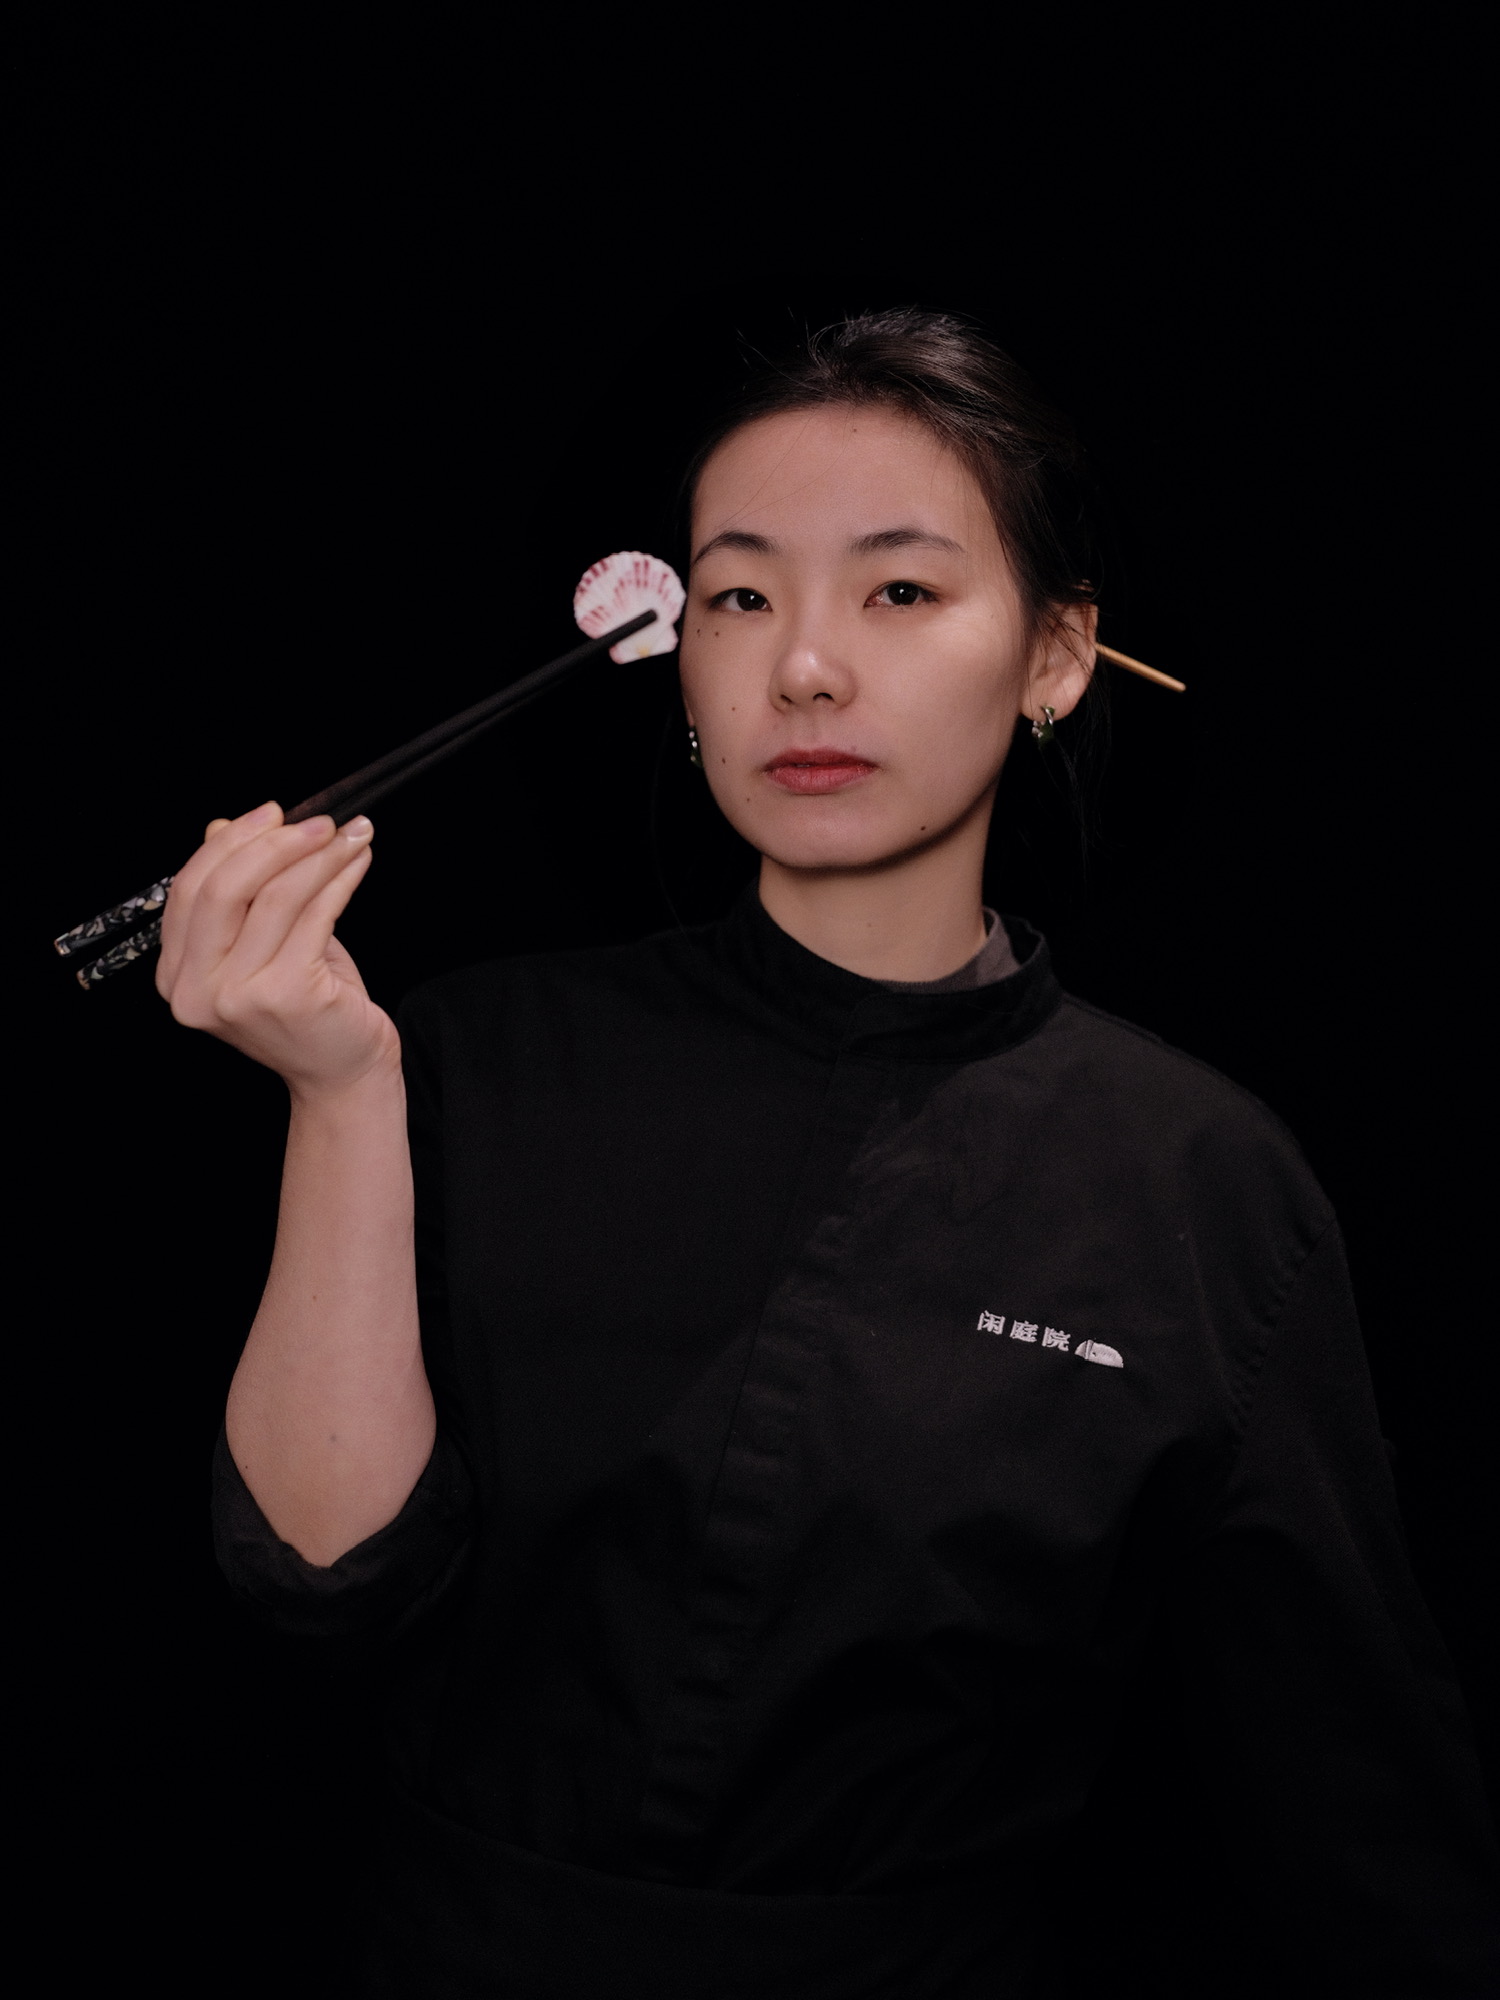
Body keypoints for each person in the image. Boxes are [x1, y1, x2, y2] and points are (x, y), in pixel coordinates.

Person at [164, 312, 1497, 1996]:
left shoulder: (1201, 1181)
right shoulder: (471, 1059)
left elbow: (1345, 1802)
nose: (802, 667)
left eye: (901, 591)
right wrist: (341, 1094)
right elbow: (325, 1587)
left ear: (1057, 657)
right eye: (738, 596)